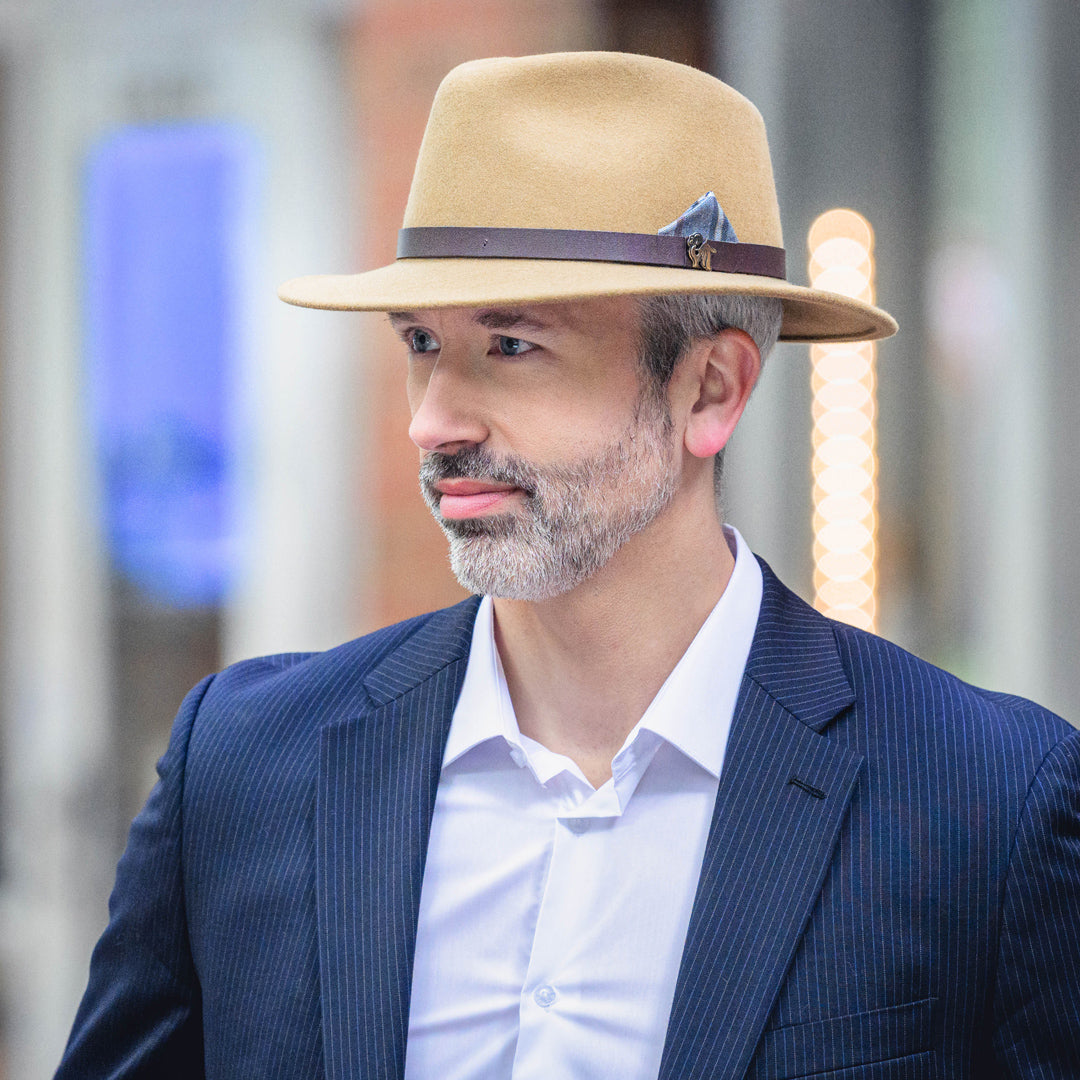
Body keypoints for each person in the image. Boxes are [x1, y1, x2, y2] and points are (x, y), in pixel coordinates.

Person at [57, 51, 1080, 1080]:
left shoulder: (989, 807)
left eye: (510, 346)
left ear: (711, 390)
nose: (431, 422)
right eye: (420, 343)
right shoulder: (242, 769)